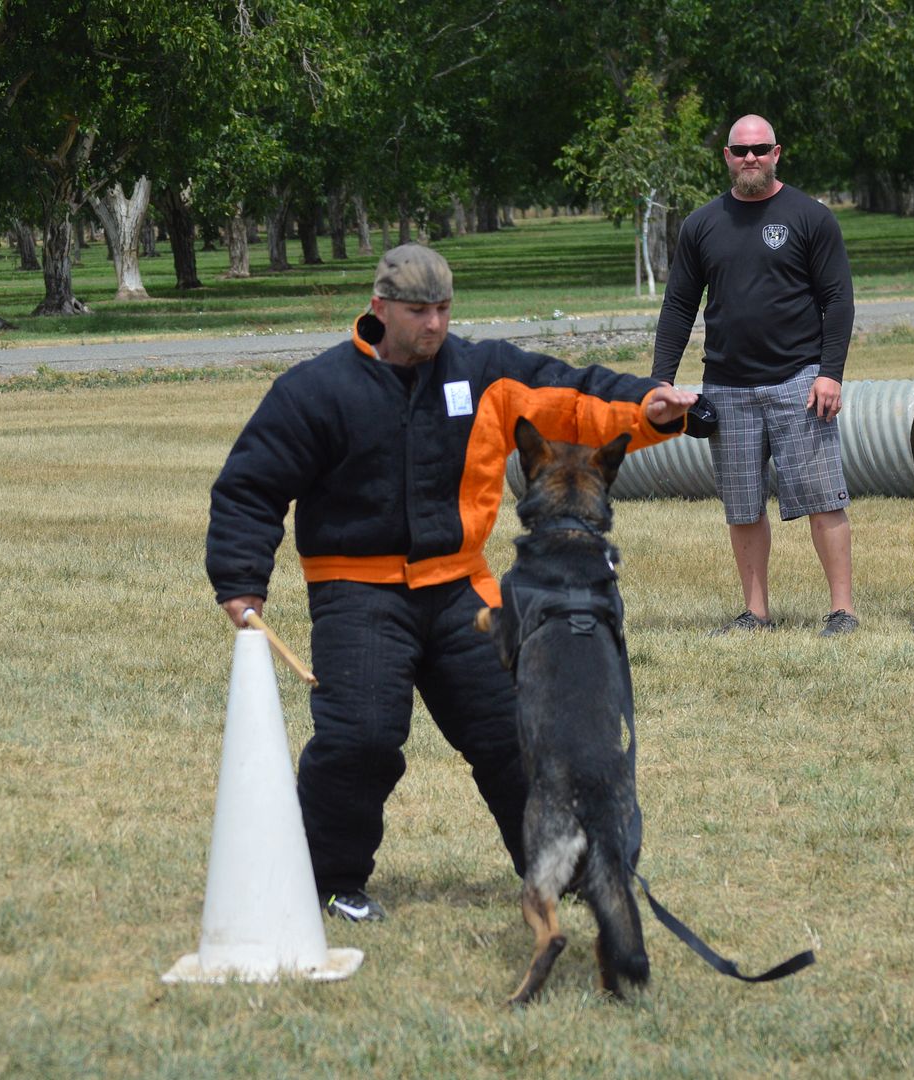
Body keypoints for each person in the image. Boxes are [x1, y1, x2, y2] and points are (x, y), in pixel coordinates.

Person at [206, 244, 699, 922]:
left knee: (516, 733)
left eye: (443, 310)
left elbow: (575, 397)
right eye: (418, 311)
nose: (434, 325)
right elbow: (250, 486)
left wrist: (650, 407)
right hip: (357, 589)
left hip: (461, 587)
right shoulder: (317, 390)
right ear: (380, 309)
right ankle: (325, 880)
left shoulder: (483, 372)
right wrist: (240, 580)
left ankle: (567, 866)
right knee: (363, 739)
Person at [652, 114, 859, 637]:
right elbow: (679, 305)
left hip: (799, 379)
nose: (750, 158)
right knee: (742, 505)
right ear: (726, 156)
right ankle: (756, 613)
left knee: (822, 498)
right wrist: (660, 380)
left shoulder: (810, 216)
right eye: (740, 150)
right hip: (726, 384)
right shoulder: (702, 223)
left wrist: (829, 373)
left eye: (760, 149)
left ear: (777, 153)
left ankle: (842, 610)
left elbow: (838, 300)